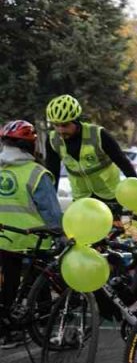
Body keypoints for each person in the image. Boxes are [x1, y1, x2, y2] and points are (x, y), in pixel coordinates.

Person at [0, 120, 63, 336]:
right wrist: (63, 234)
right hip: (33, 240)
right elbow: (53, 214)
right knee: (41, 285)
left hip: (4, 239)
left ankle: (8, 330)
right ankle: (45, 329)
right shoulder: (36, 173)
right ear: (31, 146)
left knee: (9, 284)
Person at [43, 94, 137, 210]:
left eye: (65, 125)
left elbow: (122, 162)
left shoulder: (98, 135)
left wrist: (136, 189)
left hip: (110, 196)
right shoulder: (52, 140)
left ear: (76, 121)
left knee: (115, 228)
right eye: (56, 125)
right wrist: (50, 203)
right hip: (81, 199)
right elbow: (53, 173)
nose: (60, 130)